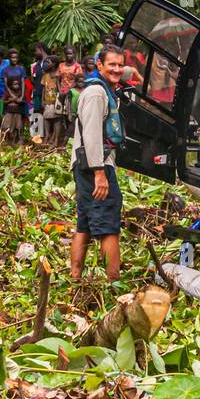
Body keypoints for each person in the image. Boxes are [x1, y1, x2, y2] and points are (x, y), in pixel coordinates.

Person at [71, 44, 128, 281]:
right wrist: (100, 173)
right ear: (100, 65)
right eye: (111, 64)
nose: (116, 69)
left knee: (84, 224)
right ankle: (113, 284)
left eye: (120, 64)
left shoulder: (106, 90)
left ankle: (74, 277)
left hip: (88, 165)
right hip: (95, 166)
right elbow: (92, 134)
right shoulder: (96, 93)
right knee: (109, 225)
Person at [1, 49, 27, 140]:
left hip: (20, 94)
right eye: (12, 57)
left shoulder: (21, 69)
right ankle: (7, 139)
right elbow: (5, 83)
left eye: (16, 58)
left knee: (19, 118)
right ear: (9, 58)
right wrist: (12, 95)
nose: (14, 59)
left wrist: (22, 95)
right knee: (8, 118)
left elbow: (23, 83)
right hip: (9, 95)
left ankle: (20, 139)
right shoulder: (5, 70)